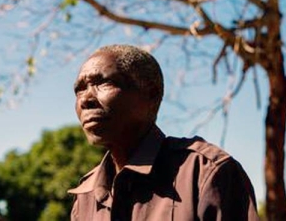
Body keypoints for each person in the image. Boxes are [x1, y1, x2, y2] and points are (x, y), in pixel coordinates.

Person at [68, 44, 260, 220]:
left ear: (150, 94)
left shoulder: (204, 172)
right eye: (79, 90)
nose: (85, 100)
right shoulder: (85, 196)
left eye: (103, 83)